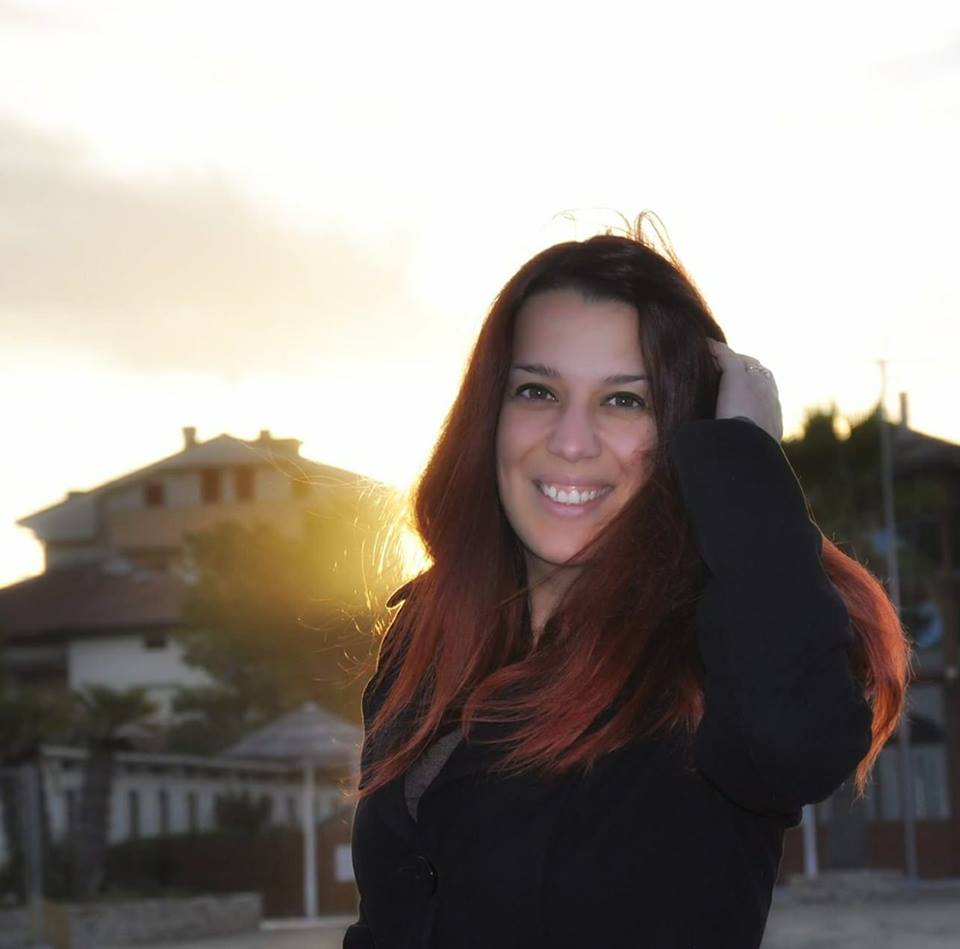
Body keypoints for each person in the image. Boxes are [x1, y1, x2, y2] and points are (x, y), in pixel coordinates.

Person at [343, 218, 909, 949]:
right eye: (537, 390)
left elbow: (795, 744)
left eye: (623, 401)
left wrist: (745, 458)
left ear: (682, 429)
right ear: (490, 414)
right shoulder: (428, 633)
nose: (571, 441)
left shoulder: (713, 653)